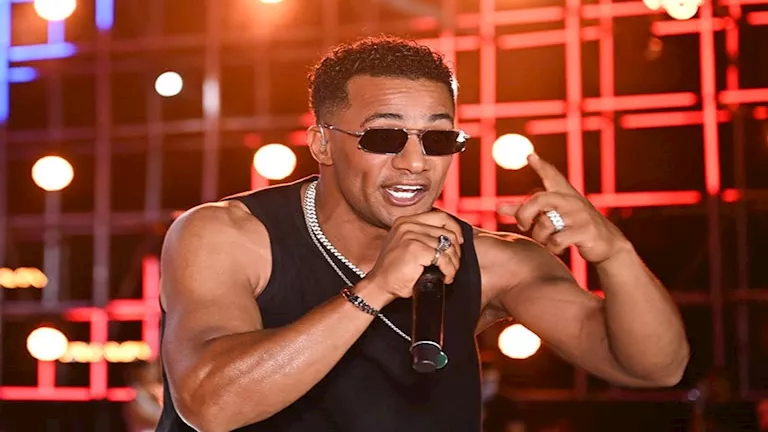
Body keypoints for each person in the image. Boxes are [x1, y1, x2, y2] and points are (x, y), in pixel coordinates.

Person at [156, 35, 690, 432]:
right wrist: (376, 288)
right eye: (385, 137)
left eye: (438, 139)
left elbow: (655, 368)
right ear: (322, 143)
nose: (415, 162)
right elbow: (210, 405)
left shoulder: (494, 261)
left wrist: (614, 253)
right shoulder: (227, 235)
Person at [123, 360, 164, 432]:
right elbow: (140, 419)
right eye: (149, 370)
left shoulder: (162, 391)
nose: (154, 373)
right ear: (140, 372)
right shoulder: (134, 396)